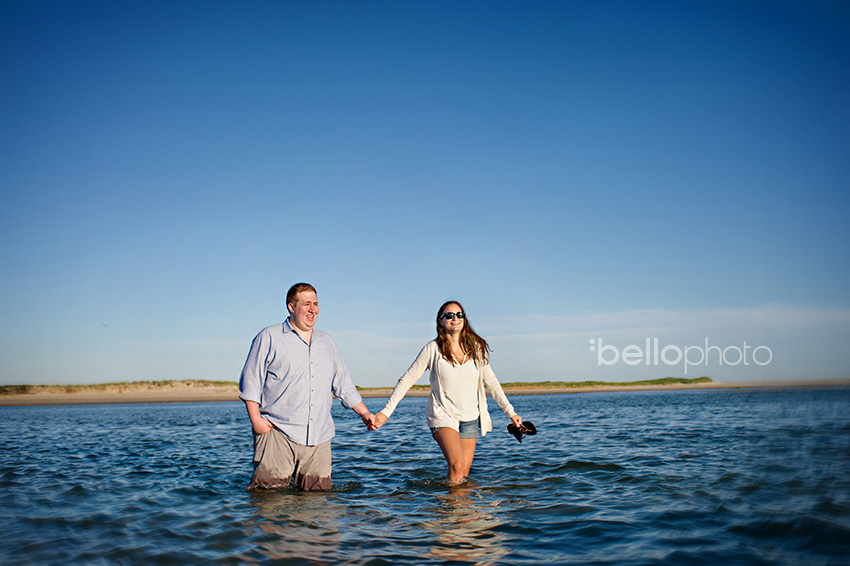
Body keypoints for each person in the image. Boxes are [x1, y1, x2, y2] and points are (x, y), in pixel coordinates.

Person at [239, 282, 375, 491]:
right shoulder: (269, 337)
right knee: (269, 501)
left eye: (316, 304)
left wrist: (364, 413)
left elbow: (344, 384)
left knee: (319, 507)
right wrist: (256, 421)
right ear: (291, 307)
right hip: (278, 432)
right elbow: (251, 382)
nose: (313, 309)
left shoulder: (327, 341)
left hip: (319, 439)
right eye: (306, 304)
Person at [372, 300, 523, 486]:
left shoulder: (476, 348)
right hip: (443, 415)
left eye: (459, 314)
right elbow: (407, 380)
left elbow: (491, 382)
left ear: (464, 319)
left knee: (462, 474)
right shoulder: (432, 349)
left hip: (470, 418)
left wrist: (511, 412)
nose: (455, 318)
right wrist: (385, 413)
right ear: (441, 321)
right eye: (449, 315)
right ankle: (451, 514)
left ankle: (461, 513)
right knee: (457, 465)